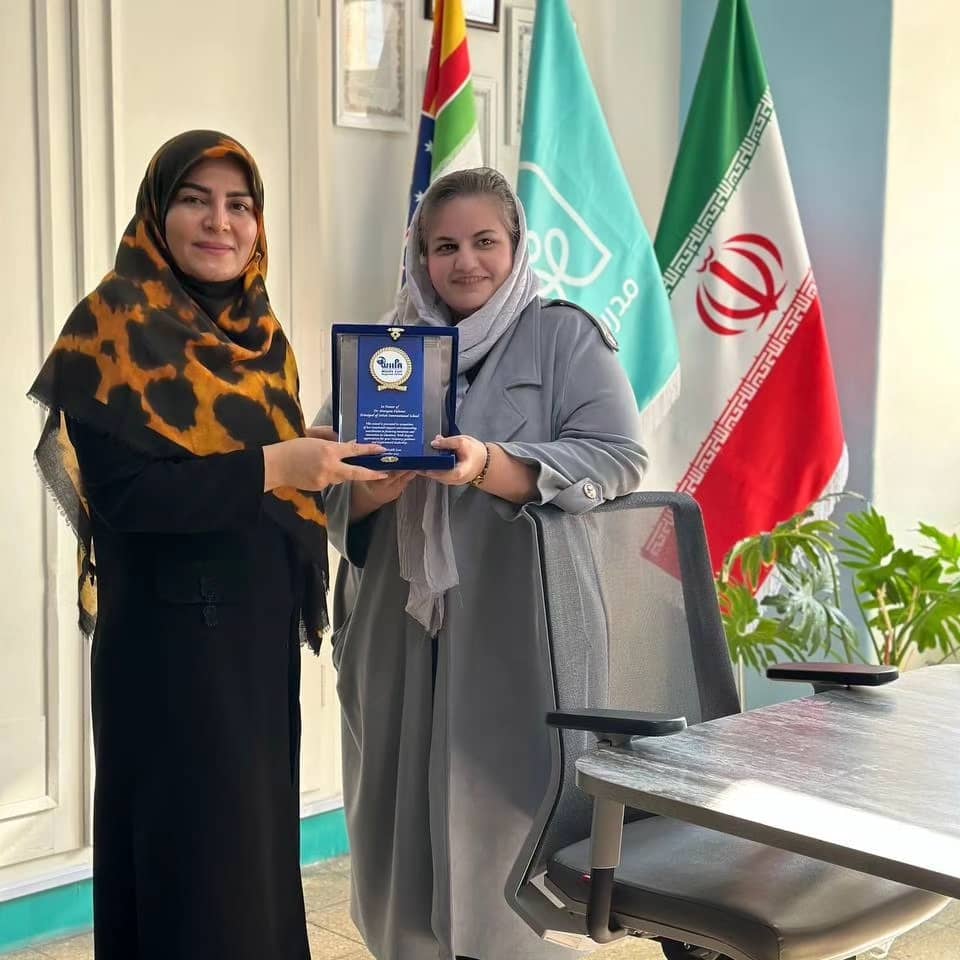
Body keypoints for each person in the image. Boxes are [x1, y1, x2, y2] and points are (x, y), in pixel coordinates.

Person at [28, 129, 387, 960]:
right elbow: (128, 496)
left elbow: (257, 475)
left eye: (239, 204)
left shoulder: (261, 336)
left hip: (254, 638)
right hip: (167, 652)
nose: (220, 222)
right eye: (195, 200)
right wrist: (277, 464)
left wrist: (322, 463)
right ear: (158, 212)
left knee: (252, 864)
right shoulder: (111, 327)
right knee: (187, 871)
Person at [322, 167, 648, 960]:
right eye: (444, 247)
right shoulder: (382, 346)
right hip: (397, 624)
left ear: (516, 244)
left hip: (519, 623)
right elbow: (323, 485)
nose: (465, 262)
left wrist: (488, 466)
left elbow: (618, 457)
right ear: (419, 255)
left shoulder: (564, 336)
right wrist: (369, 488)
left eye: (484, 242)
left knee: (505, 818)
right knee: (393, 822)